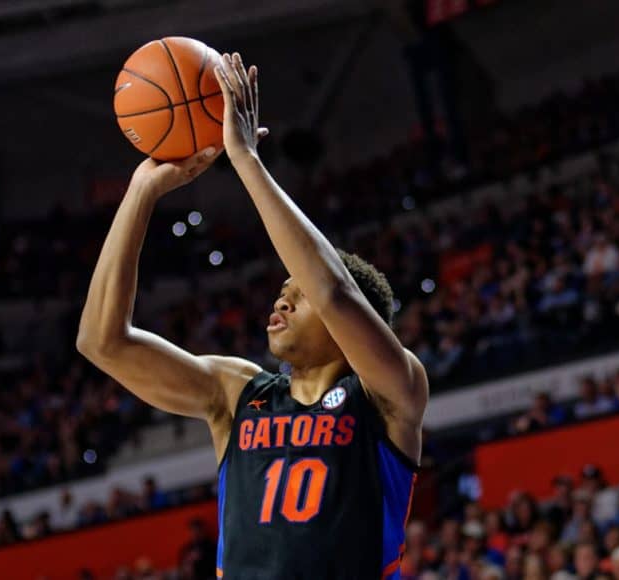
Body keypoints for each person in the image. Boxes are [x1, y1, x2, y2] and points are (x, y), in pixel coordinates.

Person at [77, 52, 428, 579]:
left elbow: (333, 293)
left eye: (296, 292)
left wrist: (245, 160)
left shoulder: (387, 396)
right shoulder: (239, 393)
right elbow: (101, 342)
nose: (280, 301)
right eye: (283, 290)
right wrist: (142, 192)